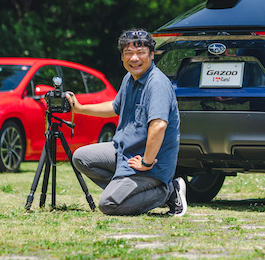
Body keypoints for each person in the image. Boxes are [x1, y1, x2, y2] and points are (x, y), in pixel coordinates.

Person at [65, 29, 187, 216]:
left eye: (141, 53)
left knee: (109, 205)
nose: (134, 58)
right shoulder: (129, 79)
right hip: (126, 155)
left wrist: (146, 162)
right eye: (128, 53)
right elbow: (115, 107)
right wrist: (80, 108)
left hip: (151, 165)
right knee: (81, 158)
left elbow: (159, 125)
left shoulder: (157, 84)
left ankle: (167, 191)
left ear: (152, 55)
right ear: (122, 57)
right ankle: (128, 190)